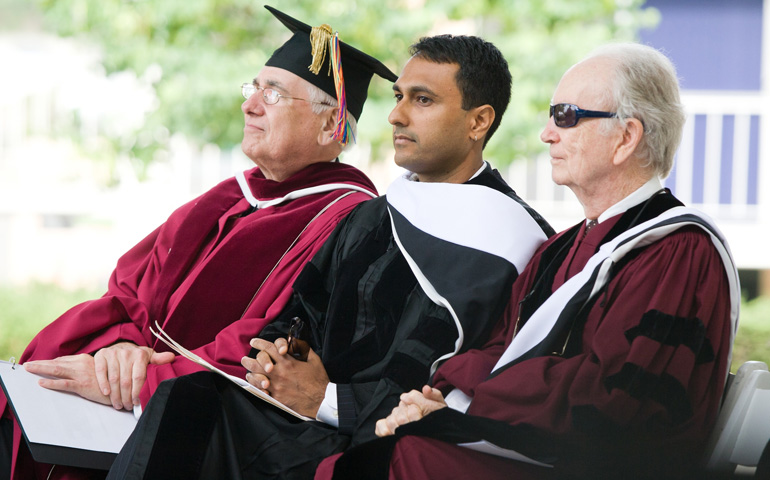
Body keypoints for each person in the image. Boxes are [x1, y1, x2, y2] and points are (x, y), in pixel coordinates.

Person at [104, 34, 554, 480]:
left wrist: (325, 398)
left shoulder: (510, 238)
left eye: (422, 100)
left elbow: (449, 375)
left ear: (478, 122)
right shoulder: (372, 216)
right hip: (300, 419)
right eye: (398, 97)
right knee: (189, 402)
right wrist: (281, 354)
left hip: (378, 440)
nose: (396, 115)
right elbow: (303, 311)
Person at [0, 5, 397, 479]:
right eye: (254, 89)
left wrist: (142, 382)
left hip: (206, 430)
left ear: (330, 125)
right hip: (127, 396)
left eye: (273, 94)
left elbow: (272, 344)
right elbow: (130, 292)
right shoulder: (229, 196)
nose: (250, 105)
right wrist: (119, 354)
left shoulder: (350, 222)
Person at [317, 43, 741, 480]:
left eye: (566, 116)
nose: (546, 134)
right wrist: (443, 401)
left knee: (392, 460)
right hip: (528, 446)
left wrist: (467, 406)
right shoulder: (561, 249)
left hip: (591, 465)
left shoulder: (678, 253)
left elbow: (618, 404)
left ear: (626, 138)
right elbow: (498, 352)